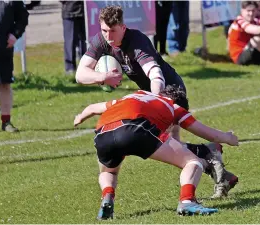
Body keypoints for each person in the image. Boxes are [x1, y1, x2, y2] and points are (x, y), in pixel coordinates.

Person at [76, 5, 238, 198]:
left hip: (169, 93)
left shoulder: (136, 41)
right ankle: (218, 168)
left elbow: (156, 74)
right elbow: (80, 74)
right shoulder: (101, 41)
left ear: (123, 27)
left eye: (113, 31)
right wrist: (102, 77)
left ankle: (210, 156)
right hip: (147, 98)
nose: (108, 36)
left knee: (164, 146)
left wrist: (156, 99)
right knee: (168, 147)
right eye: (104, 31)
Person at [74, 85, 239, 220]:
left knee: (109, 172)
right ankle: (187, 201)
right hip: (135, 128)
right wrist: (228, 138)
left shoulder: (135, 95)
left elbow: (93, 108)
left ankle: (107, 197)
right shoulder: (175, 107)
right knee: (193, 162)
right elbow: (207, 133)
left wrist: (80, 117)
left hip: (103, 133)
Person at [0, 1, 29, 132]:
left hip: (3, 49)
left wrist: (15, 34)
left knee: (5, 84)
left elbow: (23, 16)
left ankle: (6, 122)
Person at [60, 1, 86, 75]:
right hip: (70, 10)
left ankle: (85, 66)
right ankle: (70, 68)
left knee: (85, 42)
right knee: (70, 42)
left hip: (85, 11)